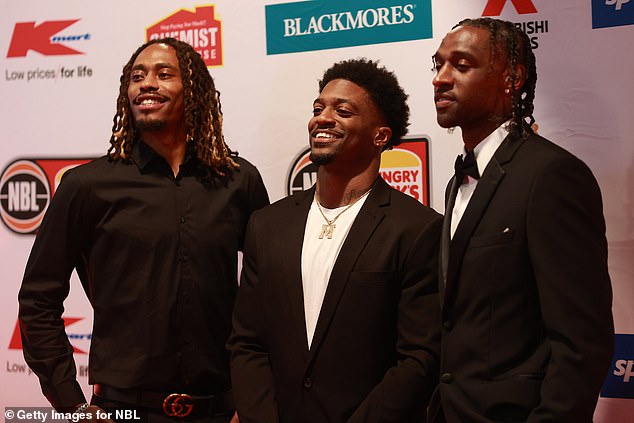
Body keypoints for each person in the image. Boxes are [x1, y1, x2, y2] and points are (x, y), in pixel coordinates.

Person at [18, 37, 269, 422]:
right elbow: (38, 299)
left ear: (194, 90)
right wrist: (71, 403)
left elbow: (268, 297)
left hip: (223, 410)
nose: (146, 84)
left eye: (163, 74)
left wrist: (252, 402)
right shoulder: (87, 185)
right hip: (121, 410)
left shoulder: (238, 182)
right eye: (137, 76)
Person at [228, 58, 442, 423]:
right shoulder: (267, 225)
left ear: (380, 136)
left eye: (342, 110)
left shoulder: (416, 228)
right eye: (318, 108)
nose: (322, 118)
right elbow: (248, 342)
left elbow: (419, 359)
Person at [428, 17, 614, 422]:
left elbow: (582, 344)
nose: (441, 79)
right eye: (437, 65)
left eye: (461, 65)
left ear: (511, 78)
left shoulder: (551, 176)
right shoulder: (457, 181)